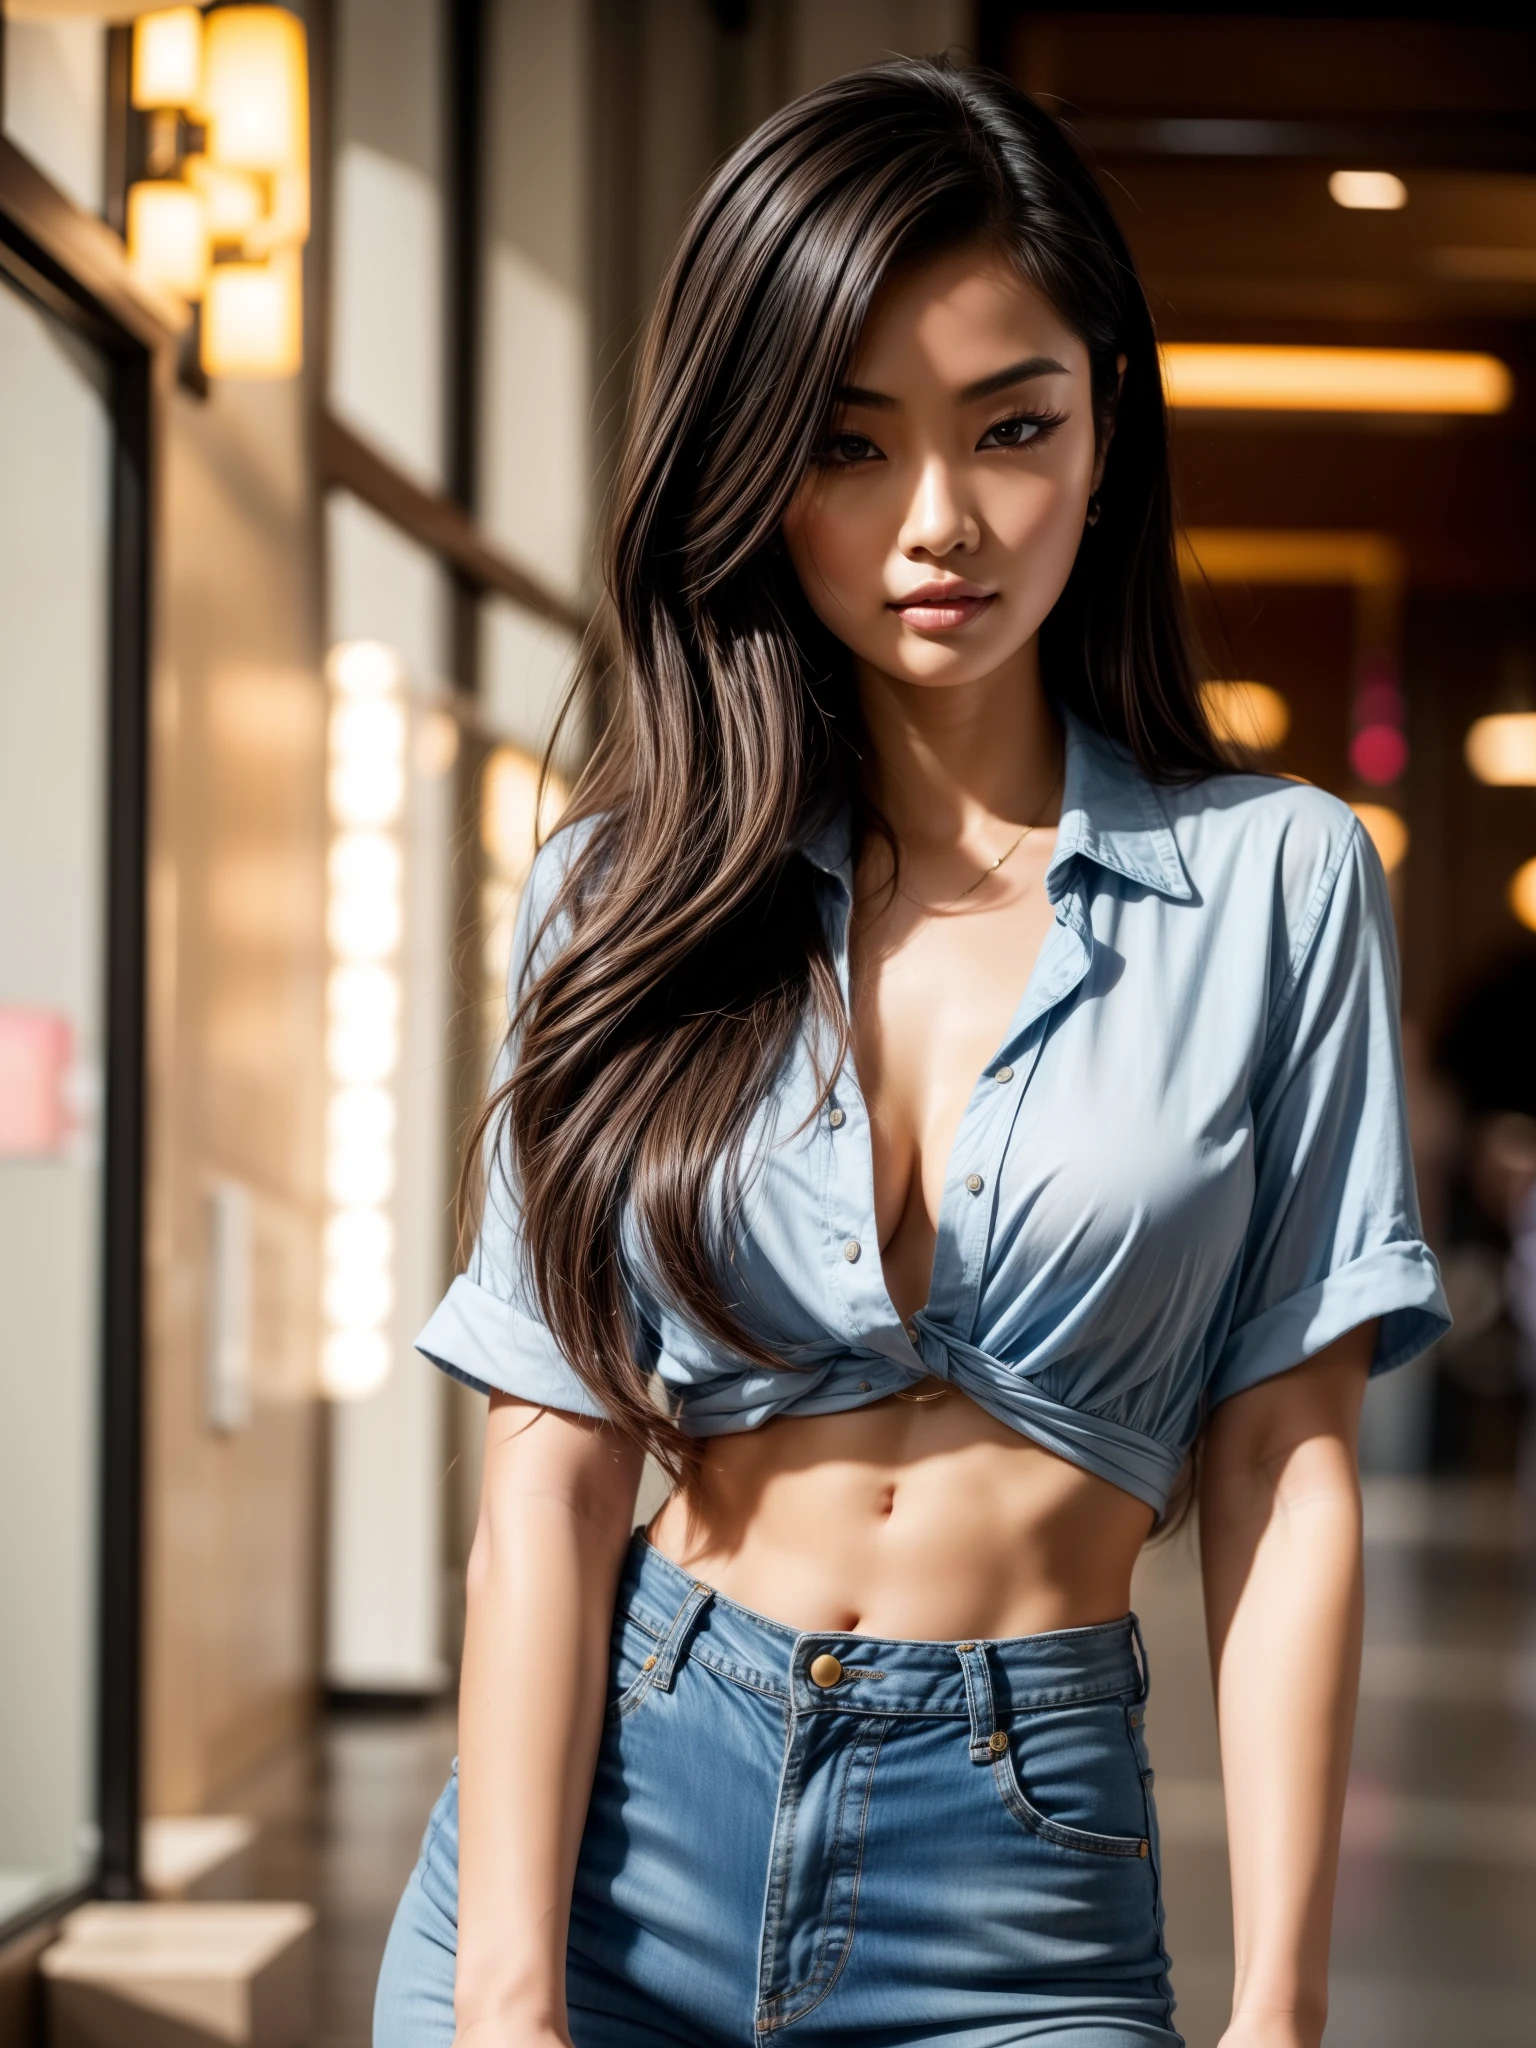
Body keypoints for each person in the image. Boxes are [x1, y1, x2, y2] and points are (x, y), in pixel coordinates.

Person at [375, 58, 1449, 2048]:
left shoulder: (1281, 881)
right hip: (606, 1842)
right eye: (849, 447)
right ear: (760, 468)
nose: (936, 523)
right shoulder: (629, 883)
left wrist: (1282, 2003)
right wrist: (508, 1999)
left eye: (1010, 429)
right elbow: (552, 1457)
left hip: (1018, 1890)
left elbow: (1288, 1465)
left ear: (1107, 429)